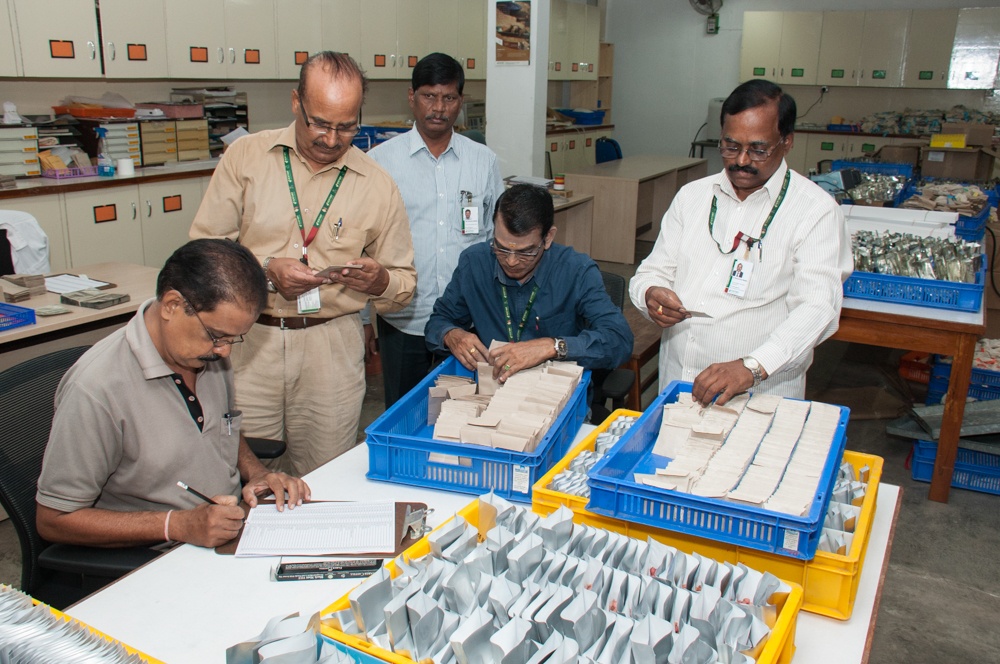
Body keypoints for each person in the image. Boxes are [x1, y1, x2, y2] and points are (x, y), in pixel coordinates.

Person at [190, 52, 416, 475]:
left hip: (330, 348)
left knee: (324, 477)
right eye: (320, 123)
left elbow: (404, 283)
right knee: (239, 474)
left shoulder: (378, 184)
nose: (332, 139)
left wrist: (380, 279)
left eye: (347, 127)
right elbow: (203, 255)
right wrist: (265, 270)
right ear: (296, 102)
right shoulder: (246, 158)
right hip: (248, 343)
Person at [36, 239, 310, 549]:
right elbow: (53, 520)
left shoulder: (203, 353)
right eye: (217, 336)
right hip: (154, 556)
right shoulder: (96, 389)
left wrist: (257, 473)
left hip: (231, 529)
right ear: (172, 306)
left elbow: (221, 429)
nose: (222, 352)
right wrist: (177, 525)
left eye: (233, 339)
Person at [629, 79, 853, 407]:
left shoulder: (815, 211)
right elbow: (652, 270)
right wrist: (649, 294)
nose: (742, 160)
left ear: (787, 142)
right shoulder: (693, 196)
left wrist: (751, 367)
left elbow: (817, 309)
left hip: (759, 393)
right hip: (679, 381)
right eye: (731, 147)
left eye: (758, 149)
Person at [368, 52, 504, 407]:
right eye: (429, 96)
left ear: (460, 101)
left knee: (467, 412)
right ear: (412, 98)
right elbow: (364, 245)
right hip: (404, 316)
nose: (438, 107)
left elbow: (496, 238)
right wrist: (361, 320)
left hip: (467, 317)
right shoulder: (381, 163)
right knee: (404, 412)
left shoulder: (483, 161)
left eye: (449, 97)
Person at [425, 184, 633, 383]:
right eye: (501, 248)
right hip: (493, 388)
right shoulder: (474, 263)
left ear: (548, 238)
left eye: (526, 252)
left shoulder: (576, 270)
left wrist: (552, 346)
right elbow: (438, 321)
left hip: (554, 389)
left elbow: (619, 340)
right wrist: (451, 334)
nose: (512, 261)